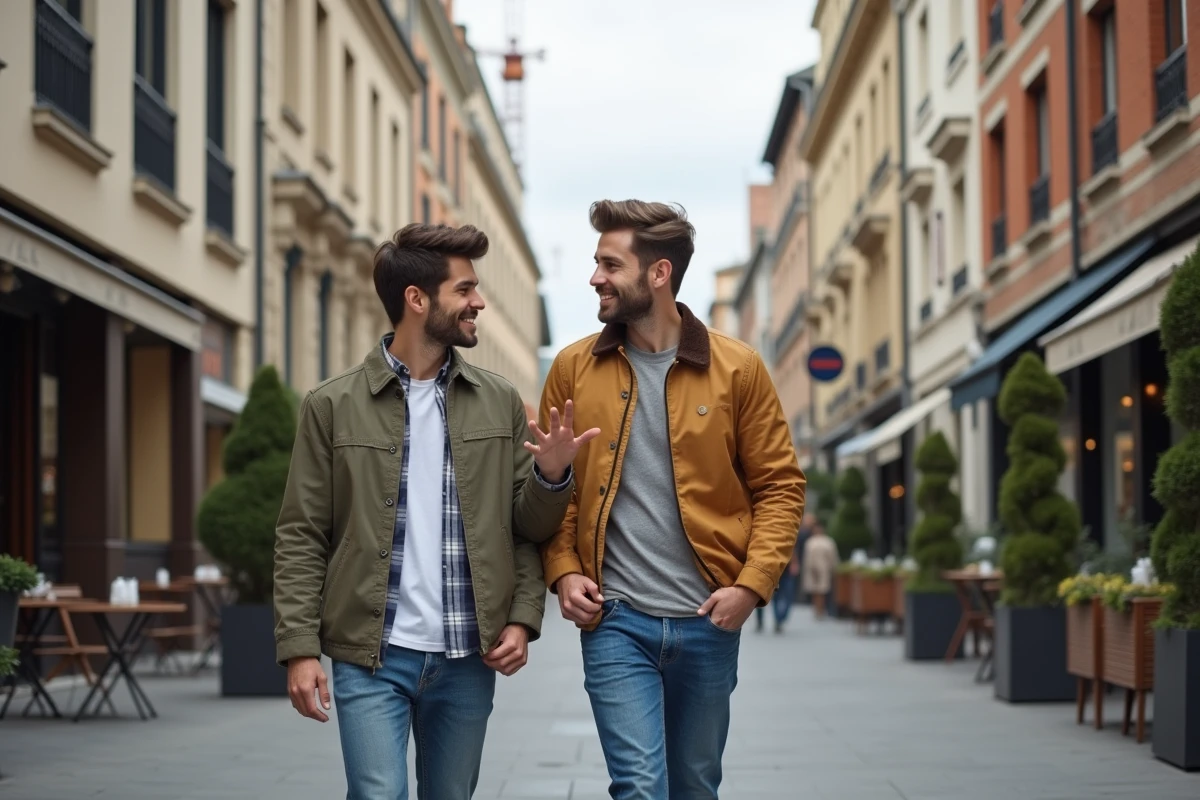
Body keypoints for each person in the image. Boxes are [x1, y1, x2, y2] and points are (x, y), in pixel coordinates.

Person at [273, 223, 598, 800]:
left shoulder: (498, 401)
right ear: (417, 300)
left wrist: (551, 479)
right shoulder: (332, 405)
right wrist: (299, 649)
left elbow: (524, 530)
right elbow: (301, 534)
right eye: (465, 289)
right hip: (369, 654)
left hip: (466, 656)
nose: (478, 303)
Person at [539, 200, 806, 798]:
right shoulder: (573, 368)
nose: (595, 278)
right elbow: (559, 491)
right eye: (595, 262)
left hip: (707, 620)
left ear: (658, 273)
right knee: (638, 786)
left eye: (610, 264)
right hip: (616, 620)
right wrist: (562, 572)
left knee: (694, 785)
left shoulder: (738, 369)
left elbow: (780, 487)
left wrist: (751, 585)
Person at [802, 518, 839, 619]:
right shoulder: (811, 542)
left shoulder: (827, 542)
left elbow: (832, 557)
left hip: (823, 569)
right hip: (814, 569)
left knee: (821, 591)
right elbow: (807, 558)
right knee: (816, 591)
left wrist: (833, 568)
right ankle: (817, 609)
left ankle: (820, 609)